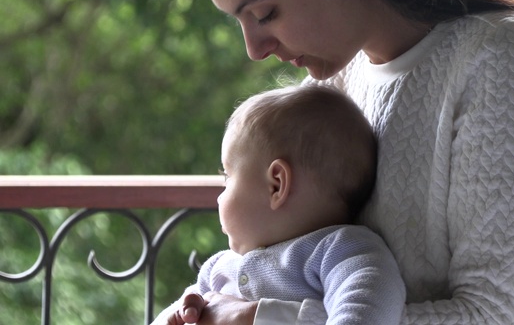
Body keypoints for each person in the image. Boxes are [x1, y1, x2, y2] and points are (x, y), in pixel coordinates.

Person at [178, 0, 514, 324]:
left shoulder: (513, 61)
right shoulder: (341, 82)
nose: (254, 48)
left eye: (264, 13)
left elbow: (499, 317)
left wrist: (259, 319)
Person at [152, 84, 406, 325]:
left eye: (228, 177)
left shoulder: (341, 251)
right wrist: (181, 314)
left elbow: (368, 310)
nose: (219, 196)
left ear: (276, 185)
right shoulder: (219, 268)